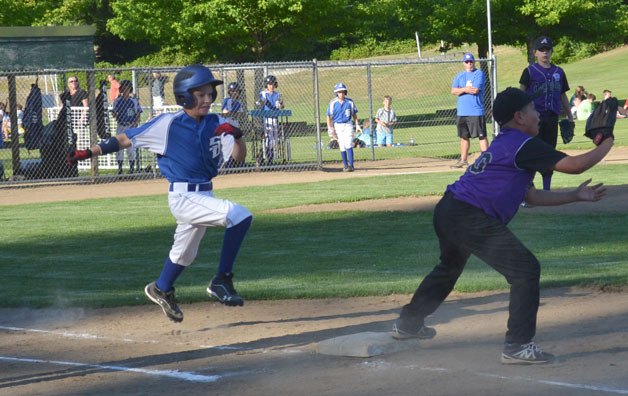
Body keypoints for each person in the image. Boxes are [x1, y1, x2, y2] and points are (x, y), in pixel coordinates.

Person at [391, 87, 612, 365]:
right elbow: (575, 165)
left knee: (449, 267)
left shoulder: (506, 142)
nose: (538, 115)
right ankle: (518, 345)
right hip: (469, 215)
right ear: (519, 117)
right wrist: (607, 142)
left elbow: (530, 195)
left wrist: (575, 196)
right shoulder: (523, 144)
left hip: (449, 209)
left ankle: (409, 324)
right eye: (533, 110)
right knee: (525, 270)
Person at [67, 64, 253, 323]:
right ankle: (222, 280)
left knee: (184, 254)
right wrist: (89, 152)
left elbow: (239, 159)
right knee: (240, 215)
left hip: (204, 195)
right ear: (184, 96)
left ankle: (161, 288)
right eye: (200, 94)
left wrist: (239, 136)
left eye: (210, 94)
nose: (208, 99)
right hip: (183, 196)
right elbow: (124, 139)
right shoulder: (168, 124)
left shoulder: (217, 122)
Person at [519, 36, 574, 190]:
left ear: (551, 52)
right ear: (535, 53)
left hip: (551, 118)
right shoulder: (529, 71)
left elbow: (563, 94)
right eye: (541, 50)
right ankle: (527, 190)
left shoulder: (559, 72)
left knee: (549, 153)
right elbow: (521, 94)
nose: (545, 53)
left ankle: (547, 190)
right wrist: (520, 115)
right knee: (531, 153)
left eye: (547, 49)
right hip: (533, 119)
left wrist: (569, 116)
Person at [450, 52, 488, 168]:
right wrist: (466, 89)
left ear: (474, 62)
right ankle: (463, 160)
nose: (469, 63)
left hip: (476, 111)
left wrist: (461, 89)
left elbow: (475, 90)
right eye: (466, 62)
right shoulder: (459, 76)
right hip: (462, 112)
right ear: (463, 63)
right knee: (464, 137)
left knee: (481, 136)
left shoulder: (479, 74)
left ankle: (486, 161)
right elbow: (453, 91)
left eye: (471, 61)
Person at [112, 80, 142, 174]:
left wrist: (136, 123)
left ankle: (132, 169)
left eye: (127, 88)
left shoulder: (133, 101)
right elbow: (115, 114)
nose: (126, 90)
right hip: (121, 125)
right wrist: (114, 114)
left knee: (130, 148)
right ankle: (120, 169)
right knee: (119, 148)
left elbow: (138, 113)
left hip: (130, 125)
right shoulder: (117, 101)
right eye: (124, 88)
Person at [326, 83, 359, 172]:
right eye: (339, 92)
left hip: (348, 124)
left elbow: (354, 114)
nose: (341, 94)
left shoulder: (350, 102)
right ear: (336, 93)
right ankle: (345, 165)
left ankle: (351, 165)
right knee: (342, 145)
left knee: (348, 143)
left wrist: (357, 125)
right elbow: (328, 116)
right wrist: (330, 128)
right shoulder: (333, 103)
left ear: (345, 92)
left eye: (343, 92)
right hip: (338, 125)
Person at [258, 75, 284, 164]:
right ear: (266, 85)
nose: (271, 86)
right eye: (269, 84)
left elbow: (282, 106)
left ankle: (270, 159)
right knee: (267, 138)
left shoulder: (277, 94)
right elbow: (261, 102)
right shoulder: (263, 93)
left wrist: (281, 103)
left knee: (274, 140)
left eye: (273, 84)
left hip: (275, 119)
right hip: (266, 119)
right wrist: (263, 100)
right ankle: (263, 156)